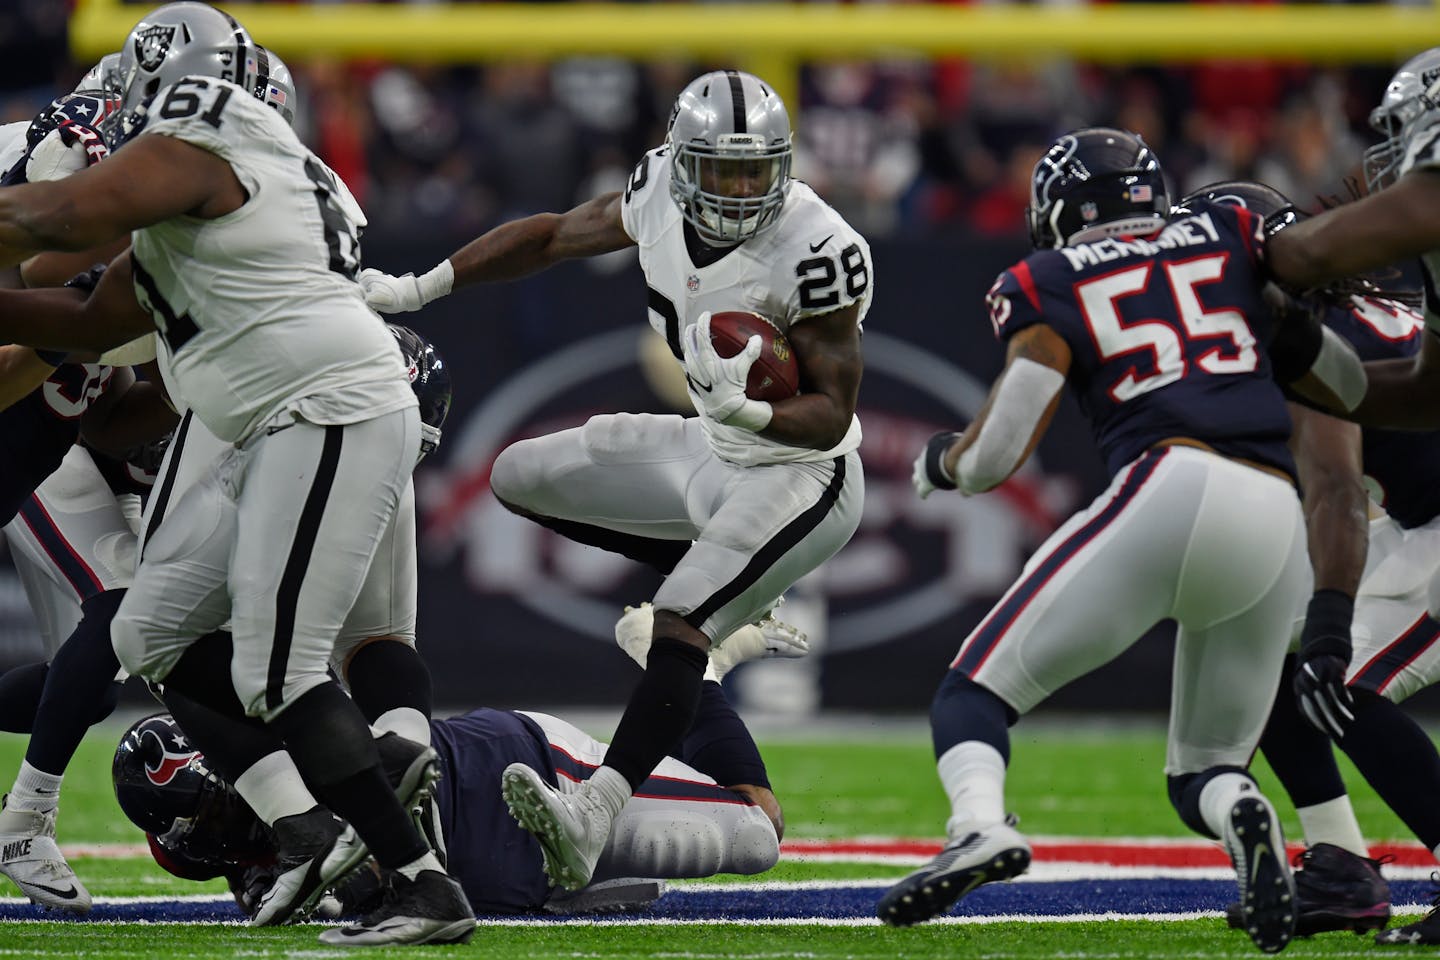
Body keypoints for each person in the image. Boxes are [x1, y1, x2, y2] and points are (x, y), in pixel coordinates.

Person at [0, 2, 469, 945]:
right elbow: (86, 324)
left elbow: (54, 212)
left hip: (318, 408)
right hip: (285, 409)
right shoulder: (201, 206)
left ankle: (410, 869)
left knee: (279, 667)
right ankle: (341, 820)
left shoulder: (206, 128)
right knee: (152, 631)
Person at [359, 69, 870, 892]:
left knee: (675, 619)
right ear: (681, 159)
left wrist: (757, 417)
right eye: (724, 171)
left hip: (802, 476)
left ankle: (594, 811)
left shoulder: (819, 249)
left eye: (757, 170)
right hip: (716, 451)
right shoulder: (656, 189)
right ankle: (720, 606)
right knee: (519, 473)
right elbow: (554, 235)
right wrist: (423, 286)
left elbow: (834, 412)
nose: (742, 191)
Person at [884, 127, 1368, 954]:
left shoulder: (1048, 276)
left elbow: (998, 455)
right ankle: (1243, 811)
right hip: (1273, 511)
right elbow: (1349, 383)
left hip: (1168, 480)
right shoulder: (1230, 235)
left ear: (1060, 211)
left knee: (972, 695)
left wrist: (941, 463)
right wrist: (1282, 333)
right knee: (1205, 769)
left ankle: (978, 826)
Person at [110, 631, 790, 919]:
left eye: (222, 804)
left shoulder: (292, 738)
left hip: (521, 770)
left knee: (759, 833)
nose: (228, 825)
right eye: (208, 827)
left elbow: (362, 867)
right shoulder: (199, 841)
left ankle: (692, 671)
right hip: (506, 880)